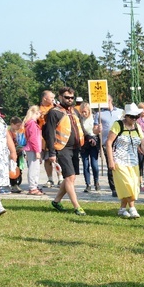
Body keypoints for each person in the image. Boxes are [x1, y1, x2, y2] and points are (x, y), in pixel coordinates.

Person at [44, 87, 88, 216]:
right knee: (69, 177)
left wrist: (90, 137)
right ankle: (77, 206)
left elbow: (80, 127)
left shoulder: (74, 111)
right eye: (67, 97)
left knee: (71, 177)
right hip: (61, 148)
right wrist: (51, 153)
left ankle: (56, 201)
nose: (69, 100)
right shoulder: (54, 112)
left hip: (75, 148)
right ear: (60, 97)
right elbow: (49, 134)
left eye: (71, 98)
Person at [106, 103, 144, 218]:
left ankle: (122, 209)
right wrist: (110, 160)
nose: (134, 119)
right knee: (128, 185)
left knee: (133, 186)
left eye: (136, 117)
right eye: (132, 117)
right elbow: (108, 143)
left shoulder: (137, 127)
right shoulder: (118, 125)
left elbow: (143, 145)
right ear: (126, 116)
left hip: (133, 162)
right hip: (119, 161)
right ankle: (132, 208)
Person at [96, 94, 123, 197]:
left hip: (120, 143)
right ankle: (114, 188)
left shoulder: (120, 112)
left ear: (110, 100)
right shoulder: (99, 114)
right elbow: (94, 130)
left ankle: (121, 186)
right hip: (107, 143)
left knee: (120, 166)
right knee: (111, 166)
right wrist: (97, 129)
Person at [37, 89, 59, 188]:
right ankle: (50, 178)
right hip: (44, 138)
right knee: (47, 159)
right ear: (45, 98)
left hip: (56, 136)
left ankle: (61, 178)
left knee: (58, 158)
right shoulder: (37, 109)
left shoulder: (56, 108)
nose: (53, 99)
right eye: (51, 98)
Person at [22, 105, 44, 195]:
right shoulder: (32, 124)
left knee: (34, 168)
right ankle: (32, 187)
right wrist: (37, 151)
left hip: (31, 148)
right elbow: (33, 139)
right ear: (36, 113)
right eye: (39, 113)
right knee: (33, 168)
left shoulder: (29, 123)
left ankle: (34, 185)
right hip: (33, 149)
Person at [78, 102, 100, 193]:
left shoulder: (94, 118)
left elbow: (97, 131)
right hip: (84, 142)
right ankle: (88, 184)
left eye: (85, 112)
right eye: (82, 112)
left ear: (89, 111)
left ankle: (96, 181)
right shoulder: (80, 120)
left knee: (94, 164)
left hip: (94, 143)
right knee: (85, 164)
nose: (84, 114)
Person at [7, 117, 26, 193]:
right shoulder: (8, 133)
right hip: (11, 153)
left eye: (20, 125)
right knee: (12, 168)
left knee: (18, 168)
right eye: (17, 125)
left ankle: (16, 183)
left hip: (19, 153)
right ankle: (13, 184)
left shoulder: (19, 133)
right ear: (12, 124)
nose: (19, 127)